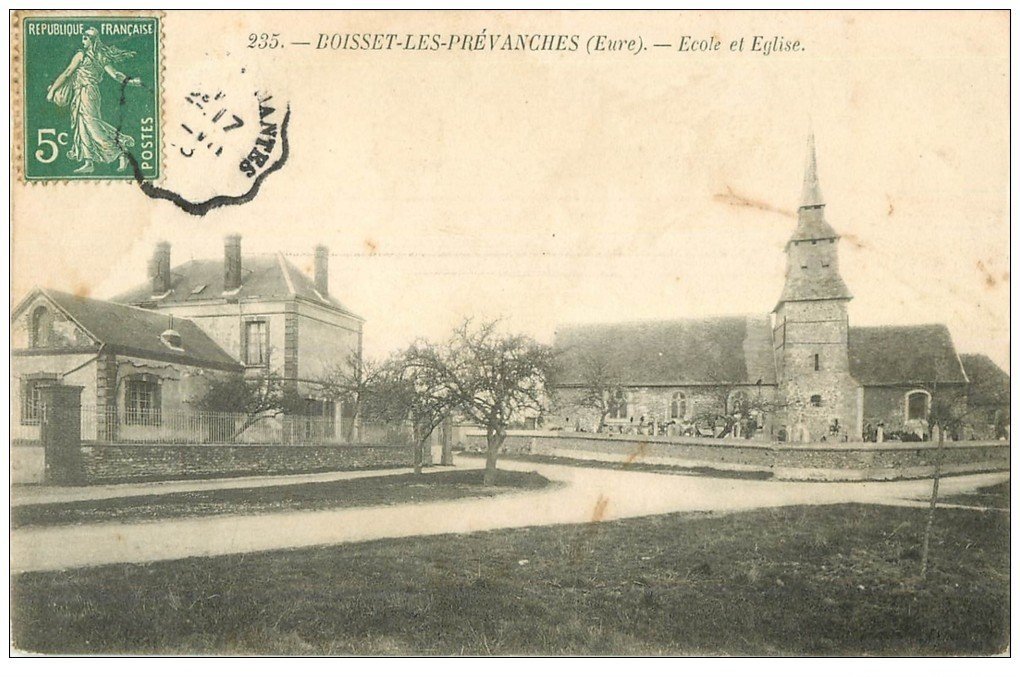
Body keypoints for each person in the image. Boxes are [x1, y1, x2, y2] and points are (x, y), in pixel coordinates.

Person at [46, 27, 143, 174]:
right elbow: (115, 74)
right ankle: (88, 162)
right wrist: (132, 81)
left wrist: (53, 90)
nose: (83, 39)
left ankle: (120, 151)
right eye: (83, 36)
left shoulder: (83, 55)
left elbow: (67, 73)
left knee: (92, 125)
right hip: (81, 92)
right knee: (82, 126)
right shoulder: (97, 55)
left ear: (93, 40)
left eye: (86, 37)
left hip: (88, 92)